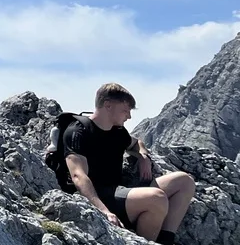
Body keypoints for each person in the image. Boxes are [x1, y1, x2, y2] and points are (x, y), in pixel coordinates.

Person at [63, 83, 196, 243]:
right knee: (157, 198)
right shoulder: (78, 132)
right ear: (108, 105)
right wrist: (103, 211)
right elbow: (78, 176)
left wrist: (143, 157)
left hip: (119, 193)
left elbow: (136, 143)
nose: (129, 116)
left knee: (185, 181)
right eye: (125, 110)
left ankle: (165, 240)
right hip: (97, 198)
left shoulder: (118, 132)